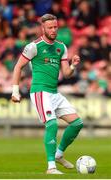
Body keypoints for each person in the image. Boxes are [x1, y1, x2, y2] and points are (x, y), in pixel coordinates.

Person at [11, 14, 83, 174]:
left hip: (54, 93)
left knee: (77, 123)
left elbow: (65, 73)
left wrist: (72, 66)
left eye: (55, 27)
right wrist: (15, 91)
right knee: (52, 125)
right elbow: (18, 67)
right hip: (40, 92)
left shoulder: (61, 47)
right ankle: (51, 167)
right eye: (50, 27)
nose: (53, 30)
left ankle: (59, 154)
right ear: (42, 28)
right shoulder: (33, 46)